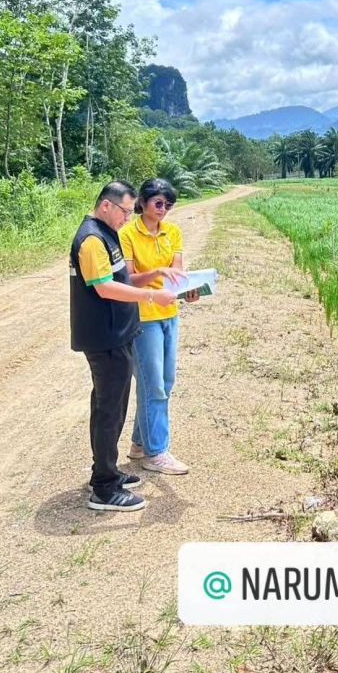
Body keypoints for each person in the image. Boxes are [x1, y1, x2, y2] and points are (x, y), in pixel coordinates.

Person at [69, 181, 184, 512]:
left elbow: (121, 279)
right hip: (104, 337)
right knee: (108, 411)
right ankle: (103, 488)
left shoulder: (107, 235)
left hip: (118, 334)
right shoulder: (91, 239)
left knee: (115, 408)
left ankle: (109, 472)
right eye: (125, 210)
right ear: (107, 206)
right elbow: (105, 288)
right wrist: (152, 294)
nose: (127, 217)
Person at [119, 178, 198, 475]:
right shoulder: (127, 233)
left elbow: (176, 274)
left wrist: (189, 289)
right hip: (142, 315)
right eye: (158, 203)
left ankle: (140, 443)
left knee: (165, 381)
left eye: (168, 204)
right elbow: (125, 279)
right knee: (153, 385)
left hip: (169, 312)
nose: (163, 209)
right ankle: (157, 452)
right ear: (142, 202)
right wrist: (156, 272)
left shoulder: (172, 232)